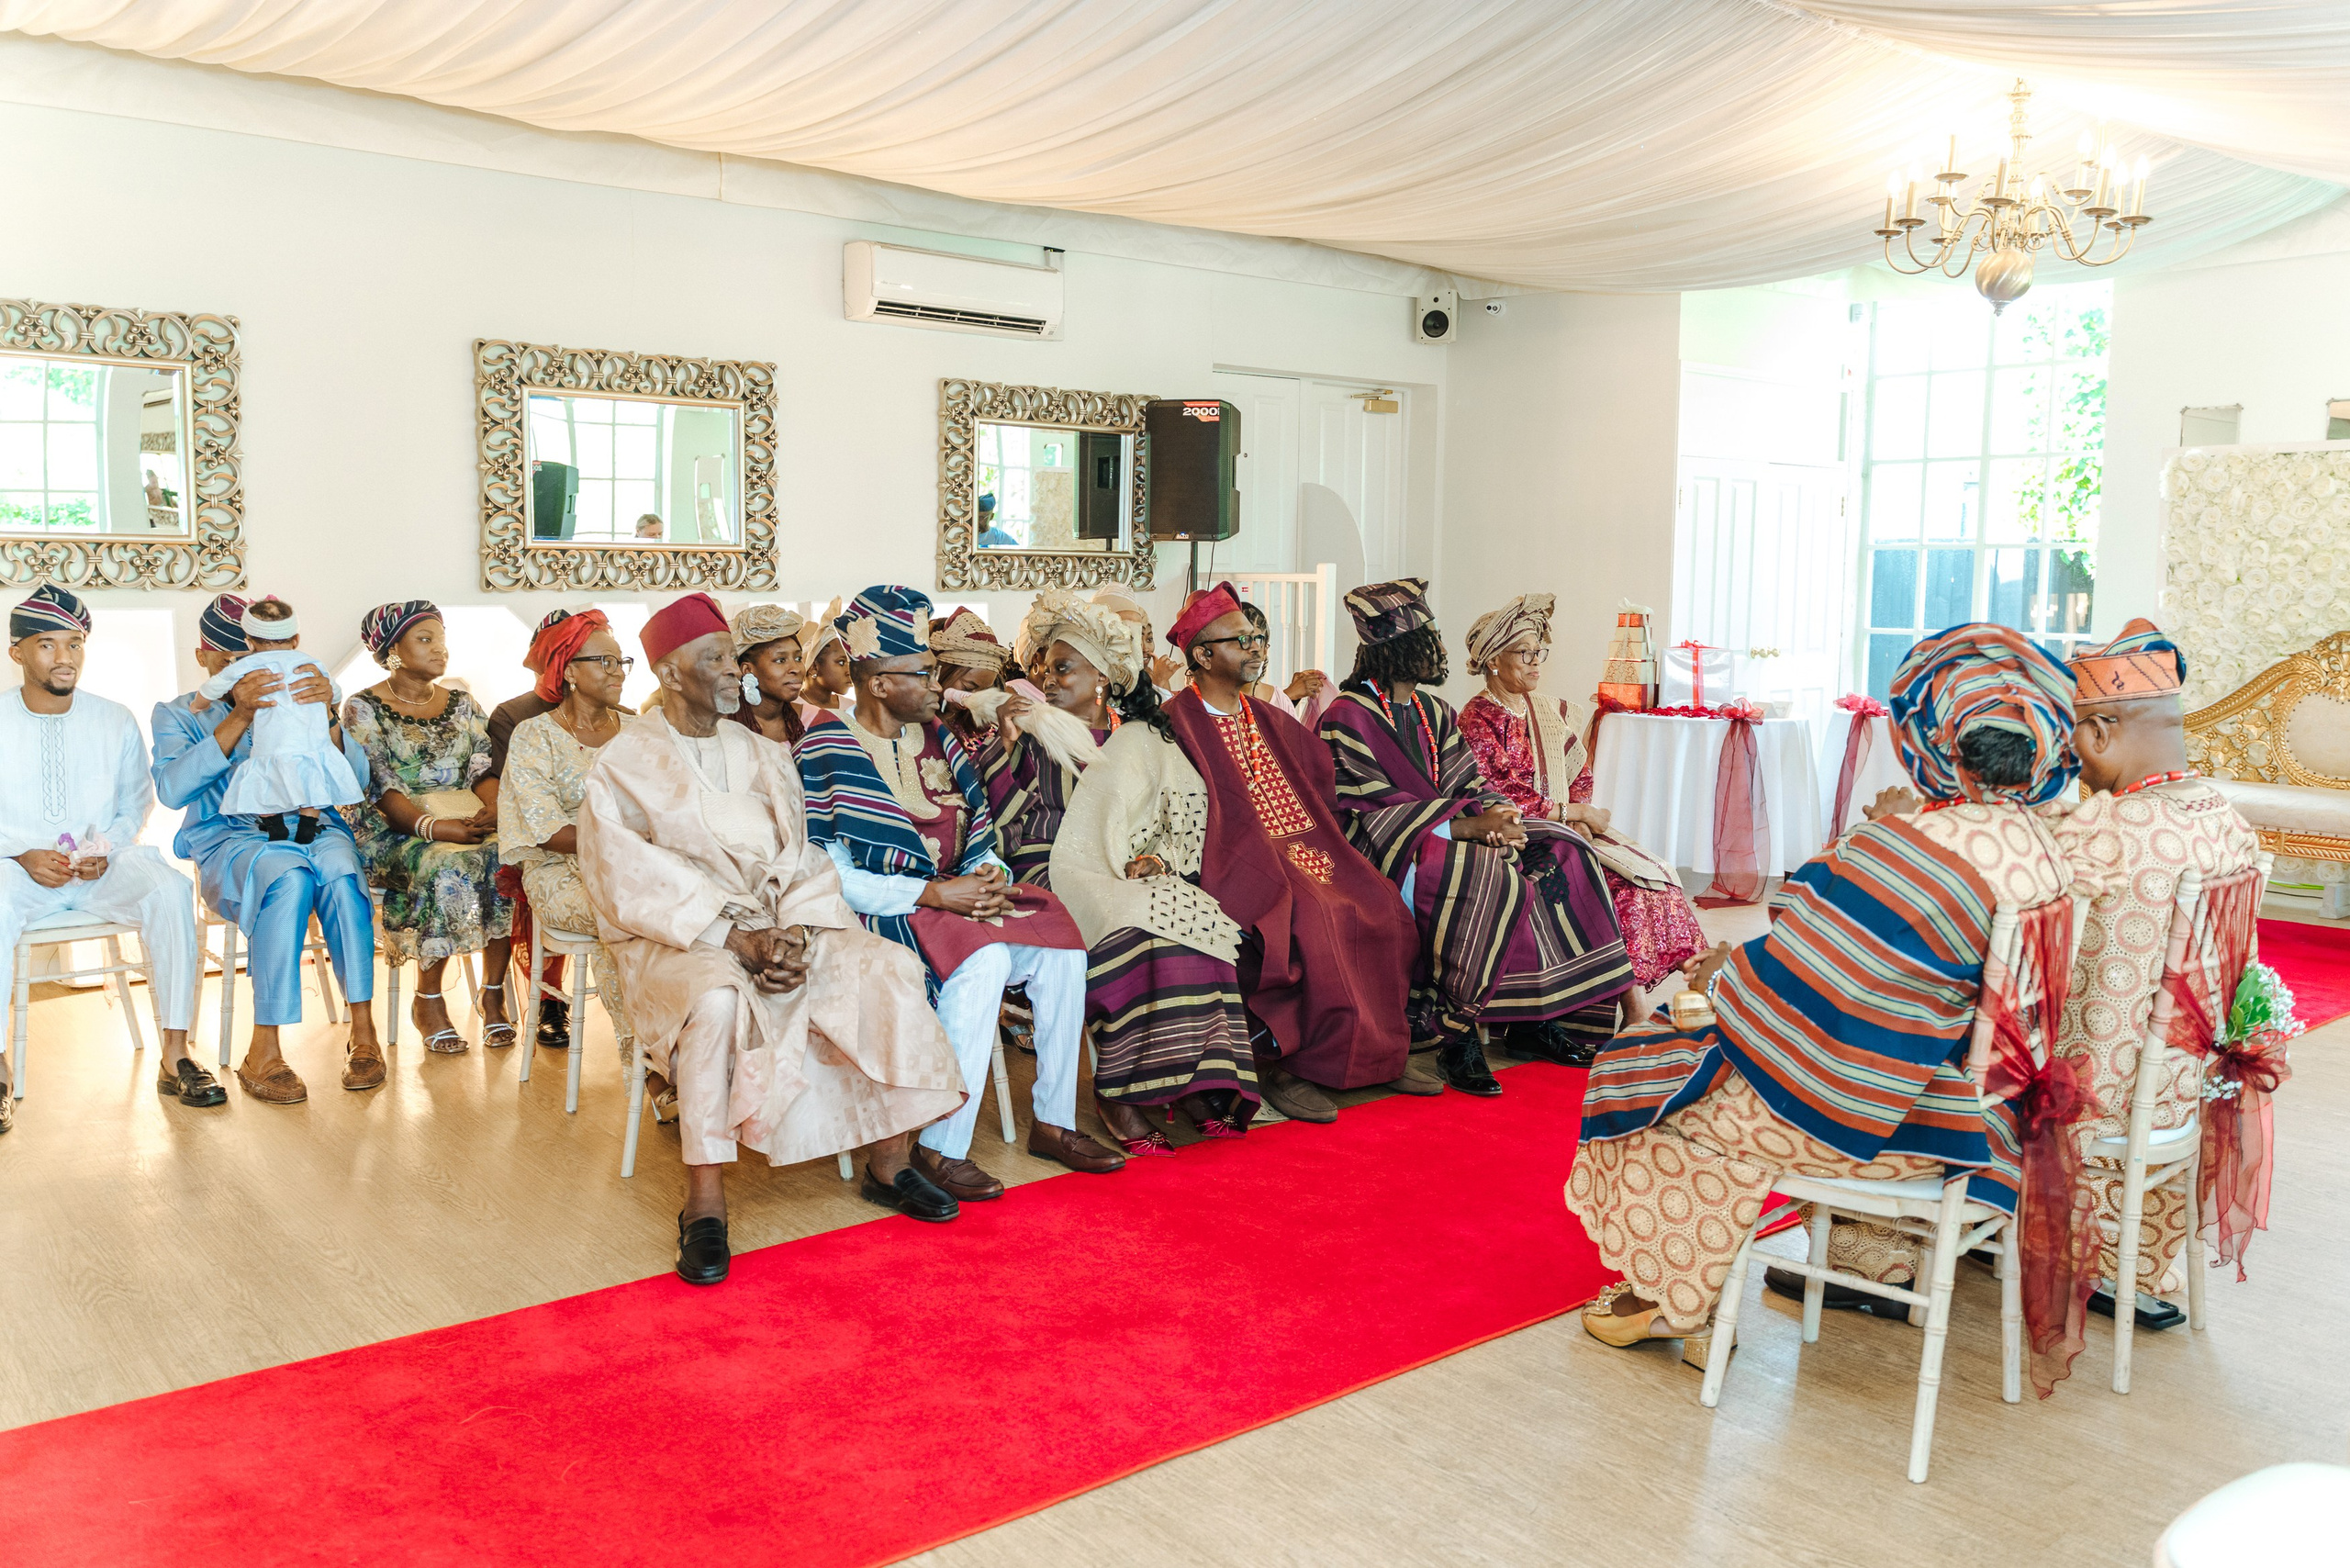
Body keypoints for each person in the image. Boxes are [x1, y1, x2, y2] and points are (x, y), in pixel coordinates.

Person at [1568, 625, 2100, 1393]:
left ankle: (1672, 1299)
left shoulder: (1907, 847)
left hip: (1897, 1127)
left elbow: (1800, 983)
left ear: (1936, 742)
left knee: (1653, 1071)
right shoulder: (2046, 848)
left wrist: (1727, 977)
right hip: (1990, 1119)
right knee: (1706, 1053)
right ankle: (1696, 1289)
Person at [576, 592, 966, 1281]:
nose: (737, 673)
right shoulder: (622, 764)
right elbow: (628, 879)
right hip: (679, 941)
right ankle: (704, 1203)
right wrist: (735, 938)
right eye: (717, 660)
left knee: (887, 967)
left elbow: (800, 856)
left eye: (733, 658)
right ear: (669, 675)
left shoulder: (761, 753)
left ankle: (889, 1161)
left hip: (784, 923)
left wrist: (793, 933)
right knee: (720, 1002)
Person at [798, 586, 1125, 1196]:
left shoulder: (940, 739)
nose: (936, 684)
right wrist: (932, 898)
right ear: (877, 684)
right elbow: (828, 875)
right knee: (988, 960)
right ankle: (938, 1145)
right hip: (877, 913)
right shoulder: (825, 748)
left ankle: (1053, 1122)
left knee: (1061, 948)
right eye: (920, 673)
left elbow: (978, 834)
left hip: (955, 899)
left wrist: (989, 878)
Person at [1321, 579, 1635, 1092]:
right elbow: (1366, 808)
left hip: (1449, 835)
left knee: (1564, 849)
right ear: (1396, 646)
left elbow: (1474, 784)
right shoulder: (1346, 717)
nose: (1442, 649)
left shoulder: (1434, 712)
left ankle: (1536, 1019)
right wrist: (1468, 829)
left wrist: (1502, 819)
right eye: (1431, 637)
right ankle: (1455, 1030)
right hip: (1387, 853)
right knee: (1492, 878)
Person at [1156, 583, 1422, 1123]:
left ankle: (1379, 1055)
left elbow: (1317, 785)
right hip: (1235, 858)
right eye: (1241, 640)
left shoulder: (1268, 718)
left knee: (1380, 903)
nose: (1256, 648)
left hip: (1309, 844)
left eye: (1258, 639)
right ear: (1203, 655)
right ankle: (1293, 1065)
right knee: (1319, 916)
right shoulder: (1174, 721)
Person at [1030, 590, 1262, 1152]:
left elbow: (1172, 818)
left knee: (1204, 930)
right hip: (1048, 879)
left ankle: (1195, 1082)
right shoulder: (1028, 738)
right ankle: (1122, 1093)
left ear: (1105, 677)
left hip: (1134, 878)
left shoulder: (1142, 738)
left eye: (1063, 669)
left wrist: (1153, 858)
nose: (1048, 682)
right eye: (1045, 670)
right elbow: (1016, 829)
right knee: (1144, 940)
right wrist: (1085, 867)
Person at [153, 592, 383, 1103]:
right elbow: (171, 790)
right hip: (227, 835)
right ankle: (264, 1049)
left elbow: (359, 779)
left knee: (343, 873)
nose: (251, 670)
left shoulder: (300, 690)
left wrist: (326, 712)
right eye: (235, 660)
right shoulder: (176, 714)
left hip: (312, 825)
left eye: (255, 656)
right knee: (289, 875)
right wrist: (237, 715)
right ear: (205, 658)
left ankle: (364, 1034)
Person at [2, 586, 208, 1125]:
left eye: (75, 643)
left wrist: (106, 849)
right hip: (16, 870)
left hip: (101, 868)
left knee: (169, 887)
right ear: (16, 652)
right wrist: (20, 853)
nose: (65, 657)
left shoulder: (114, 718)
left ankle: (176, 1051)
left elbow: (134, 803)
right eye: (47, 644)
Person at [1457, 592, 1707, 1006]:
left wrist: (1577, 818)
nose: (1537, 661)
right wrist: (1571, 814)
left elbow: (1578, 768)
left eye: (1540, 651)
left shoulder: (1544, 708)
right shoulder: (1477, 717)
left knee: (1652, 875)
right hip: (1520, 836)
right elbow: (1498, 792)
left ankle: (1702, 987)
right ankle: (1633, 1011)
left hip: (1564, 827)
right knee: (1613, 886)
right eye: (1524, 653)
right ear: (1492, 660)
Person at [344, 601, 516, 1052]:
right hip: (395, 829)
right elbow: (380, 789)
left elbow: (483, 768)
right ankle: (429, 1000)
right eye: (426, 640)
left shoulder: (462, 702)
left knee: (510, 856)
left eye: (442, 639)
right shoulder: (363, 708)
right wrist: (436, 829)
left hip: (464, 815)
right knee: (445, 866)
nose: (440, 649)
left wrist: (494, 810)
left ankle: (493, 994)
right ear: (392, 649)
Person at [497, 610, 639, 1081]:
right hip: (558, 871)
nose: (618, 673)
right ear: (569, 671)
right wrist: (631, 844)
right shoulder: (534, 736)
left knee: (684, 913)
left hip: (639, 867)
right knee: (626, 914)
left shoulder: (638, 731)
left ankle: (690, 1048)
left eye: (623, 663)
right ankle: (647, 1066)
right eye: (605, 662)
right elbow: (550, 832)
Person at [192, 598, 364, 845]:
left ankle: (275, 827)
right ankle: (308, 825)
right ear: (295, 639)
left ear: (248, 642)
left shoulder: (251, 663)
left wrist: (198, 705)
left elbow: (214, 685)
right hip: (310, 747)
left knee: (262, 786)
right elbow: (336, 692)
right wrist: (331, 701)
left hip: (271, 748)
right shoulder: (311, 663)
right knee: (312, 783)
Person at [930, 606, 1009, 751]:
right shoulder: (916, 723)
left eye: (983, 691)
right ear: (942, 670)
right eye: (968, 687)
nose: (973, 697)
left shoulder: (985, 728)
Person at [730, 603, 807, 746]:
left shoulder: (815, 721)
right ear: (747, 670)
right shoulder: (722, 726)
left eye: (798, 658)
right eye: (780, 660)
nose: (796, 669)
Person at [794, 598, 851, 729]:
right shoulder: (790, 708)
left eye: (850, 663)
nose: (849, 671)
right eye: (841, 662)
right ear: (814, 667)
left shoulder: (853, 709)